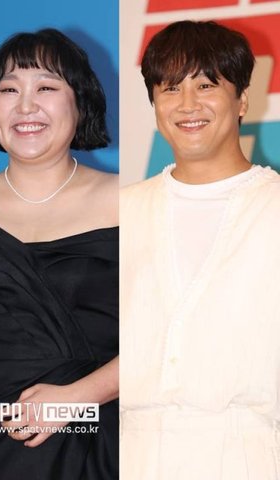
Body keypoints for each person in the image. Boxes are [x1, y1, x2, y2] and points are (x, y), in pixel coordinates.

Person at [120, 20, 280, 479]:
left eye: (206, 85)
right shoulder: (122, 211)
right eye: (170, 88)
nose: (187, 104)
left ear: (242, 99)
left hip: (248, 457)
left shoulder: (272, 206)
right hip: (132, 455)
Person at [0, 28, 119, 479]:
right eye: (9, 90)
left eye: (46, 88)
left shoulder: (132, 202)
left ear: (81, 103)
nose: (25, 106)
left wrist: (78, 398)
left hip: (101, 449)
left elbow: (174, 335)